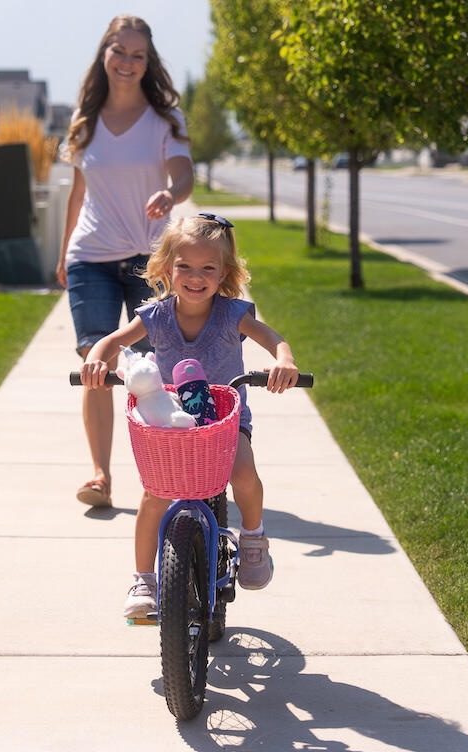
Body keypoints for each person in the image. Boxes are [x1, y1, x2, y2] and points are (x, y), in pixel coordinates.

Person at [79, 214, 300, 618]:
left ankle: (253, 538)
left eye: (208, 269)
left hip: (224, 421)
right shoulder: (155, 316)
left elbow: (273, 339)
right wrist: (95, 362)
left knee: (243, 472)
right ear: (166, 269)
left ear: (224, 273)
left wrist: (284, 361)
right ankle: (144, 579)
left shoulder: (234, 314)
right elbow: (110, 342)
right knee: (154, 496)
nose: (195, 277)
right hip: (171, 425)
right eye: (184, 267)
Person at [57, 15, 194, 509]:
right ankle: (99, 475)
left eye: (138, 55)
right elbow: (77, 195)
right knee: (97, 361)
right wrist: (63, 251)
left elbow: (184, 178)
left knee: (162, 364)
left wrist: (170, 192)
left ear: (148, 61)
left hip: (150, 260)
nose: (128, 63)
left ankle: (173, 469)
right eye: (120, 52)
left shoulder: (165, 120)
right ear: (105, 54)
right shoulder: (85, 121)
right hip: (90, 257)